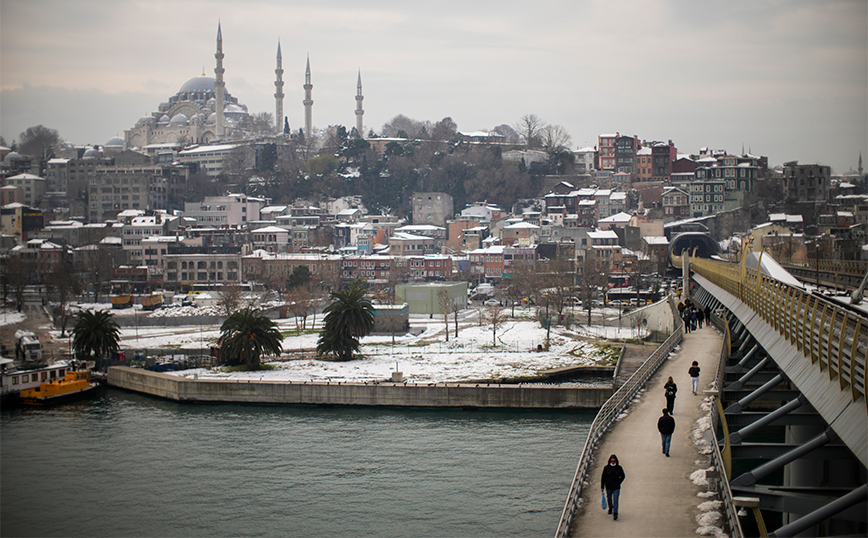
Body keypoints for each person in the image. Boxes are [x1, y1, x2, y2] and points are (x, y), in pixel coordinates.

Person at [601, 454, 625, 520]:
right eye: (612, 461)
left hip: (616, 487)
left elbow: (623, 476)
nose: (613, 462)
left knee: (616, 500)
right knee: (609, 498)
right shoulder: (606, 468)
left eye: (614, 461)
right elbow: (603, 478)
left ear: (616, 461)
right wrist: (602, 487)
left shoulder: (619, 468)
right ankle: (610, 507)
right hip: (608, 487)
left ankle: (615, 513)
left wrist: (618, 483)